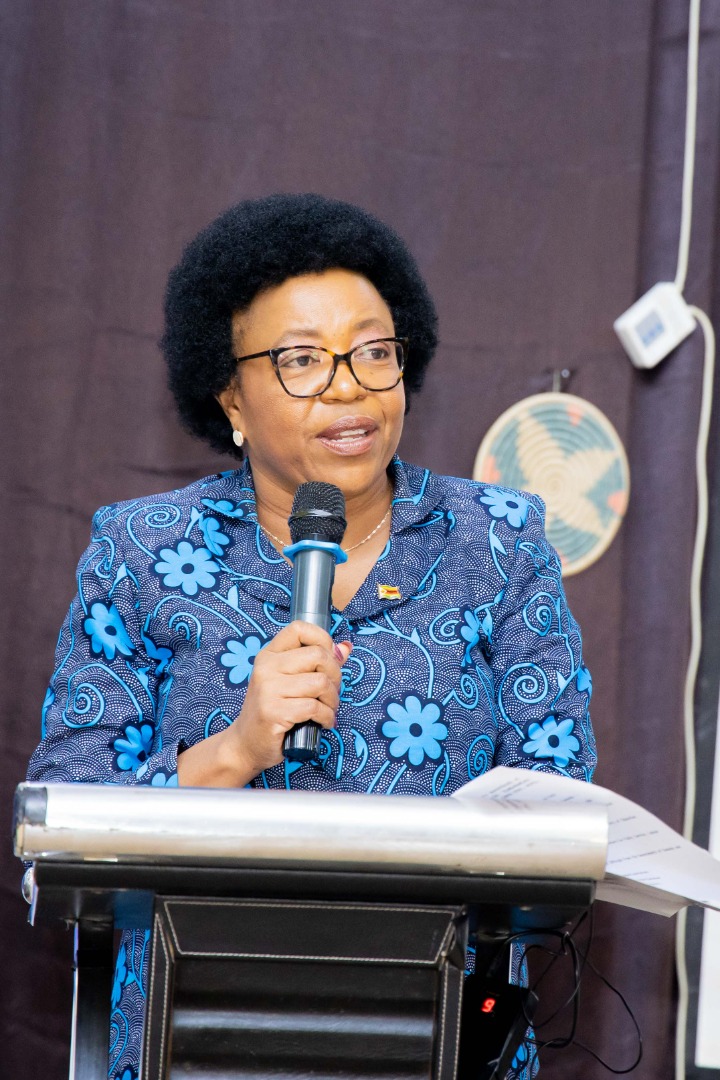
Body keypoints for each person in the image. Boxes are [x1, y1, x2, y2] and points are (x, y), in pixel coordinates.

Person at [27, 193, 596, 1079]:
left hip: (440, 1025)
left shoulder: (500, 540)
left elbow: (559, 797)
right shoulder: (142, 550)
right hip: (192, 1024)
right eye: (300, 360)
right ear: (231, 396)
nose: (347, 385)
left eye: (374, 351)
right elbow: (64, 816)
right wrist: (235, 750)